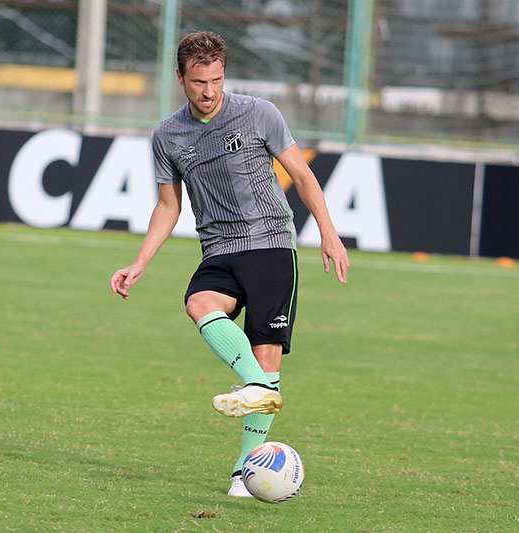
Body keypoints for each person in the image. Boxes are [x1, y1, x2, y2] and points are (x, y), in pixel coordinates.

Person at [110, 30, 349, 497]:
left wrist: (328, 232)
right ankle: (260, 387)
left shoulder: (259, 113)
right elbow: (167, 206)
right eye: (199, 81)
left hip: (270, 245)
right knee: (198, 301)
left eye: (217, 79)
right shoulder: (169, 135)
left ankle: (245, 470)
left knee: (266, 351)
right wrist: (140, 262)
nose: (209, 91)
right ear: (181, 78)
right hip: (218, 248)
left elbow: (302, 175)